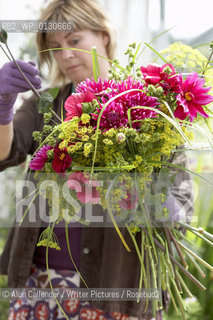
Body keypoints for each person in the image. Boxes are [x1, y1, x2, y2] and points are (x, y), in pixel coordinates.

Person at [0, 1, 193, 319]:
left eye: (74, 40)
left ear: (103, 35)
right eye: (55, 48)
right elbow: (5, 153)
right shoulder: (45, 105)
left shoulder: (147, 106)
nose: (65, 55)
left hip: (119, 288)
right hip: (43, 283)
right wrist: (3, 104)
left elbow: (180, 202)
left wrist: (148, 198)